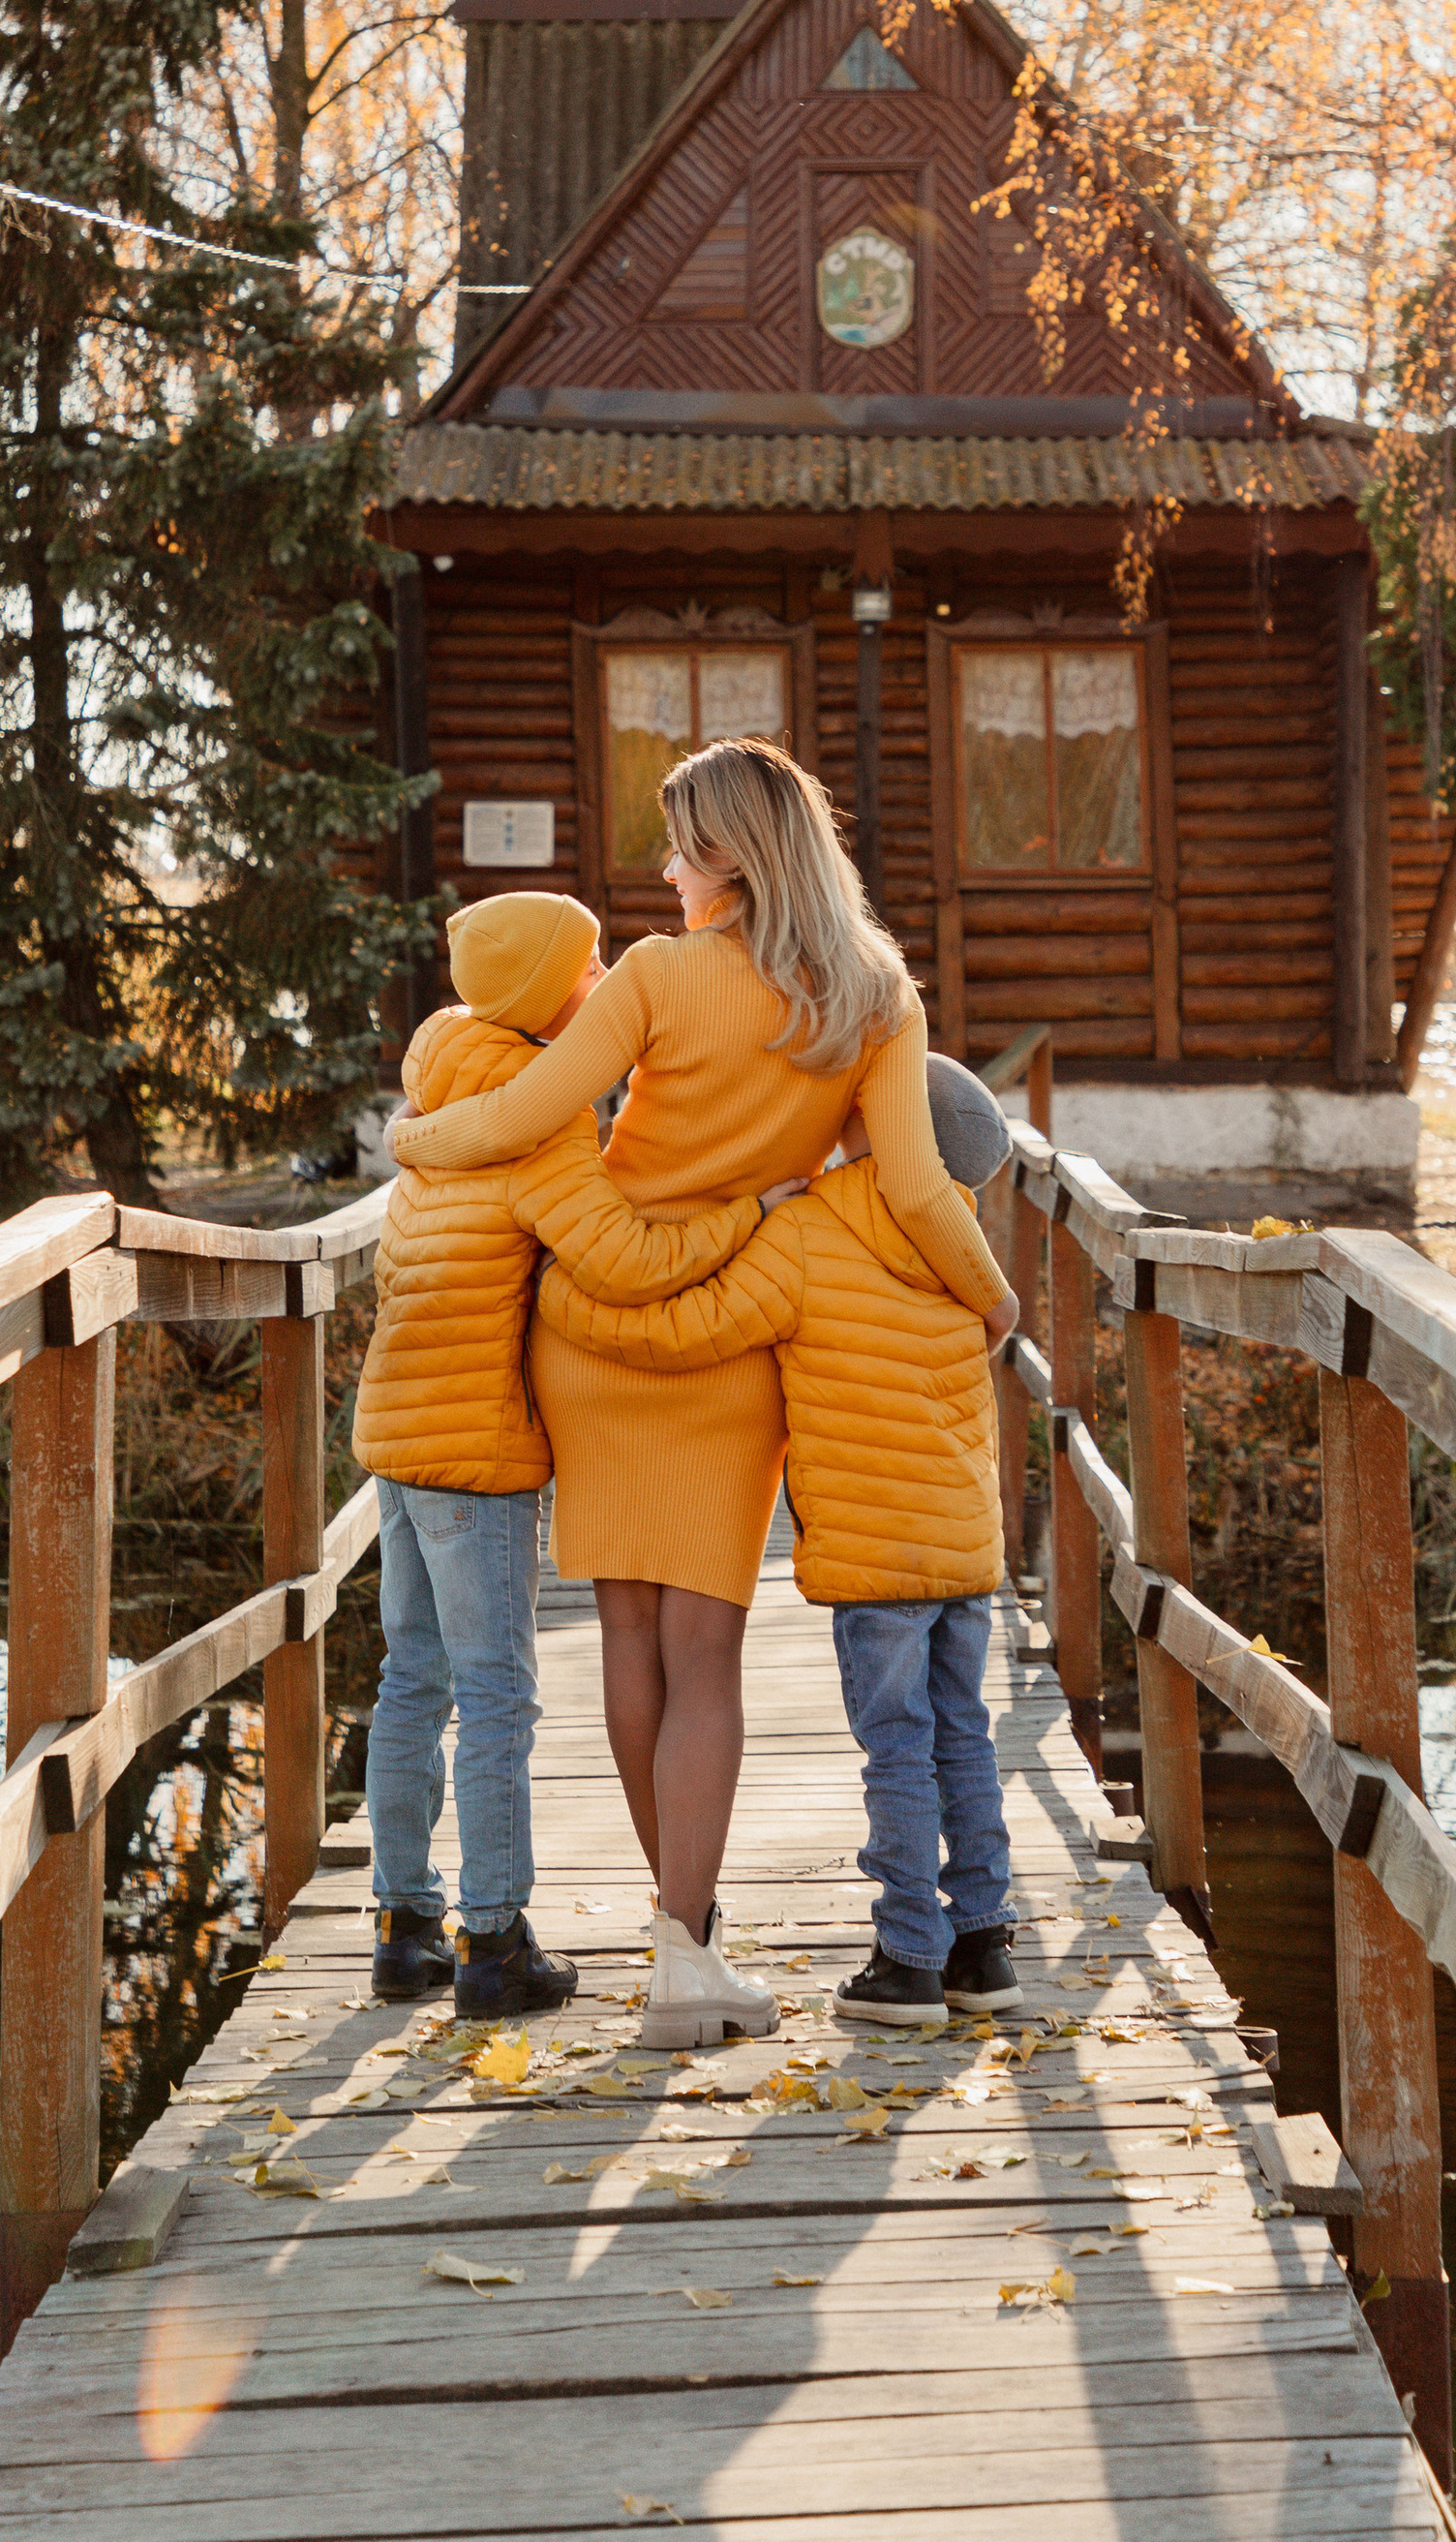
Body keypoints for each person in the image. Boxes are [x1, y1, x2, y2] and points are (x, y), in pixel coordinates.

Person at [389, 737, 1015, 2045]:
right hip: (726, 1341)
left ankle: (690, 1941)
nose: (666, 871)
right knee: (705, 1656)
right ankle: (684, 1948)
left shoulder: (661, 980)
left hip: (594, 1325)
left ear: (729, 855)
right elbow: (910, 1187)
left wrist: (411, 1139)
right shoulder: (871, 997)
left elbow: (521, 1114)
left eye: (678, 846)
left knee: (627, 1639)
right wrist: (991, 1294)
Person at [536, 1056, 1022, 2025]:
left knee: (897, 1748)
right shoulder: (961, 1246)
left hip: (875, 1553)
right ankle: (983, 1950)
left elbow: (695, 1330)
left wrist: (564, 1300)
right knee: (962, 1738)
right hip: (964, 1547)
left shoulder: (809, 1226)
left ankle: (908, 1960)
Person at [355, 889, 761, 2019]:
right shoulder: (535, 1120)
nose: (600, 988)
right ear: (548, 998)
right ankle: (493, 1943)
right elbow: (623, 1258)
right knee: (493, 1696)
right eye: (585, 972)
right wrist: (747, 1211)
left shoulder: (443, 1091)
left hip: (394, 1435)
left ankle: (402, 1926)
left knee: (410, 1681)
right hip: (475, 1447)